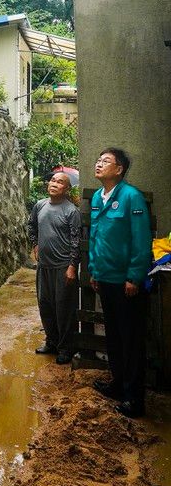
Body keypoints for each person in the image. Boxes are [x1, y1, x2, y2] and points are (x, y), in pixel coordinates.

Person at [89, 148, 152, 418]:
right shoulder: (97, 197)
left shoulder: (131, 196)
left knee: (131, 340)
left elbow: (141, 240)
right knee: (113, 336)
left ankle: (134, 399)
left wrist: (134, 276)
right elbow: (95, 237)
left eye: (106, 161)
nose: (99, 163)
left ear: (119, 169)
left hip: (125, 282)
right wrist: (93, 270)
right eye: (98, 160)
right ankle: (117, 384)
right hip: (104, 278)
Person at [28, 171, 80, 365]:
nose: (54, 184)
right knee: (45, 306)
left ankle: (65, 348)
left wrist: (72, 266)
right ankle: (51, 342)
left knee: (63, 309)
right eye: (53, 180)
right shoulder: (40, 205)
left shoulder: (71, 211)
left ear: (67, 189)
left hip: (62, 268)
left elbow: (76, 240)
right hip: (44, 267)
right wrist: (35, 244)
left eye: (60, 182)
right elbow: (31, 226)